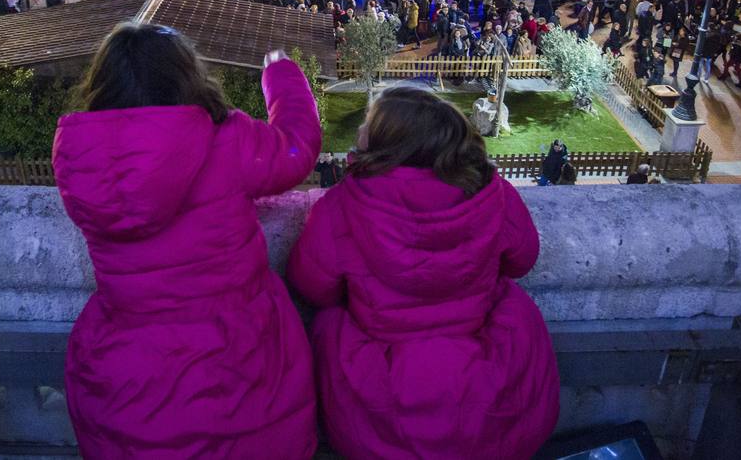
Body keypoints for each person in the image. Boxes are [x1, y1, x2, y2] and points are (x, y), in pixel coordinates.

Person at [52, 25, 320, 458]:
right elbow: (297, 150)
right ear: (186, 76)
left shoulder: (78, 158)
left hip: (130, 368)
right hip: (239, 357)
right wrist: (281, 76)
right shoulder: (225, 139)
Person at [287, 87, 559, 459]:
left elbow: (312, 286)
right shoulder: (492, 194)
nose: (361, 129)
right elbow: (522, 260)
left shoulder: (341, 205)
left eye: (369, 122)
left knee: (329, 322)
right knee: (514, 302)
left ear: (390, 143)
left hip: (383, 388)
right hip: (486, 375)